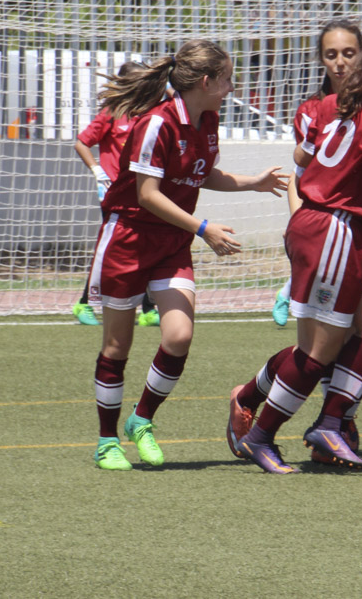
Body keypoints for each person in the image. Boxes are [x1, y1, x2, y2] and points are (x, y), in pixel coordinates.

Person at [233, 44, 362, 474]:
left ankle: (329, 423)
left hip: (339, 230)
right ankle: (260, 434)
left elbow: (307, 157)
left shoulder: (349, 104)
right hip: (335, 231)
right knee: (318, 350)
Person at [88, 41, 287, 470]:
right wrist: (203, 228)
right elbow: (146, 194)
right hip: (128, 239)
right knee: (117, 346)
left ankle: (141, 421)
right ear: (206, 81)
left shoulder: (208, 119)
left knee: (177, 336)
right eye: (228, 79)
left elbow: (203, 172)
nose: (232, 87)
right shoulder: (157, 124)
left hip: (171, 243)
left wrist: (252, 182)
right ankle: (107, 441)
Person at [272, 20, 362, 327]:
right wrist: (296, 225)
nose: (340, 62)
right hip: (325, 228)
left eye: (349, 53)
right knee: (324, 328)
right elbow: (300, 176)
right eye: (331, 54)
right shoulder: (310, 111)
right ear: (321, 59)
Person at [72, 61, 159, 328]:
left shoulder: (149, 112)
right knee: (111, 250)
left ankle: (146, 309)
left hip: (142, 192)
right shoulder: (112, 112)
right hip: (114, 194)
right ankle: (85, 303)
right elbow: (82, 142)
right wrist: (98, 170)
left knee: (146, 247)